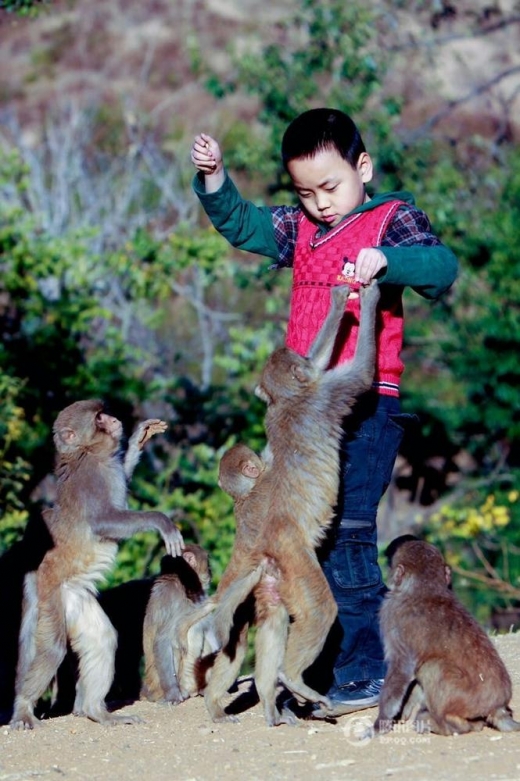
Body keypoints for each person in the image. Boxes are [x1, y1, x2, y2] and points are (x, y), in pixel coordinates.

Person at [190, 108, 458, 716]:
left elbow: (441, 269)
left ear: (363, 167)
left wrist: (388, 261)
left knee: (351, 531)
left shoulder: (392, 217)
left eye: (331, 187)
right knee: (310, 540)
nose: (320, 203)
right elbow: (244, 227)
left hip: (367, 406)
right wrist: (214, 179)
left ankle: (367, 669)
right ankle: (326, 668)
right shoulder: (304, 229)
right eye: (305, 192)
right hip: (303, 415)